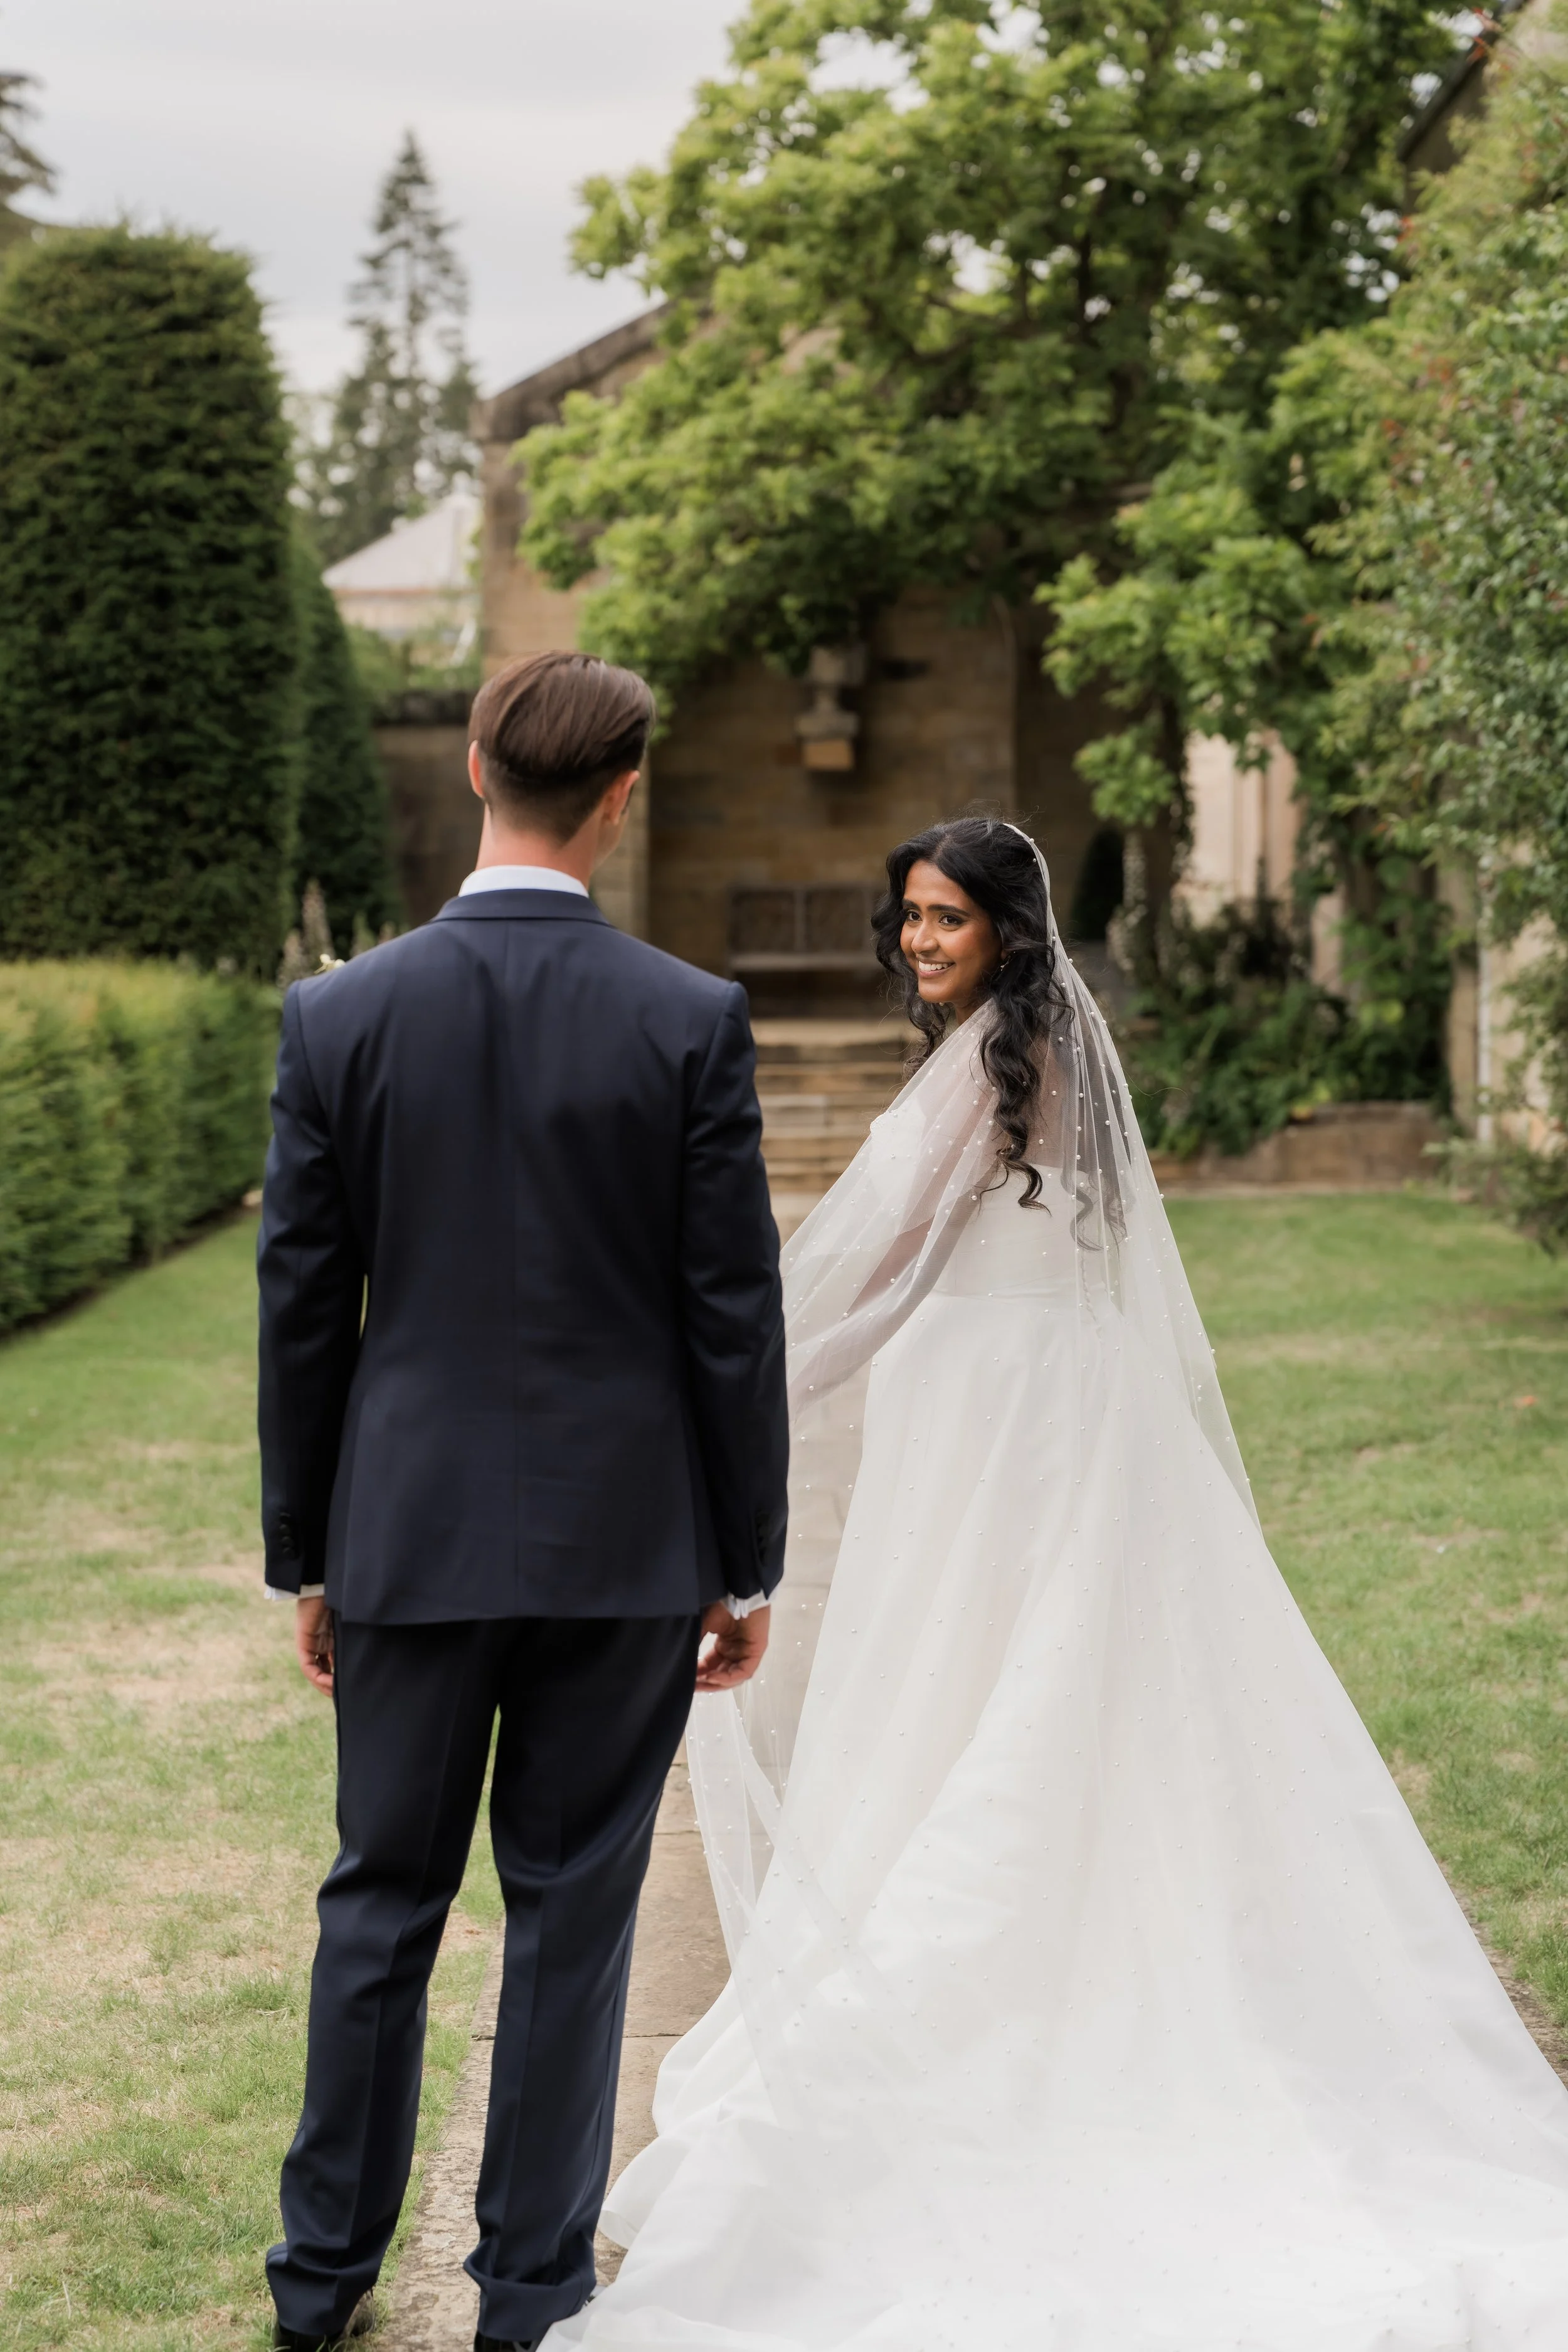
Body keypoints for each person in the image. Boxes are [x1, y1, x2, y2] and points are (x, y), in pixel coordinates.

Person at [549, 817, 1568, 2350]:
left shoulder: (986, 1070)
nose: (917, 942)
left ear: (1011, 928)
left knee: (990, 1684)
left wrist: (736, 1399)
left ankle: (1002, 1996)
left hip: (1006, 1417)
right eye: (906, 918)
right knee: (1018, 1685)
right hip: (1030, 1398)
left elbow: (881, 1272)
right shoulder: (1031, 1051)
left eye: (944, 918)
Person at [256, 650, 788, 2352]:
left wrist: (310, 1554)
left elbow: (300, 1307)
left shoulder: (338, 1015)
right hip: (623, 1546)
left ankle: (321, 2275)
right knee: (573, 1909)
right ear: (621, 797)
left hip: (402, 1535)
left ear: (477, 762)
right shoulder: (686, 1015)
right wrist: (743, 1552)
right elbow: (728, 1309)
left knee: (379, 1900)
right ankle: (528, 2289)